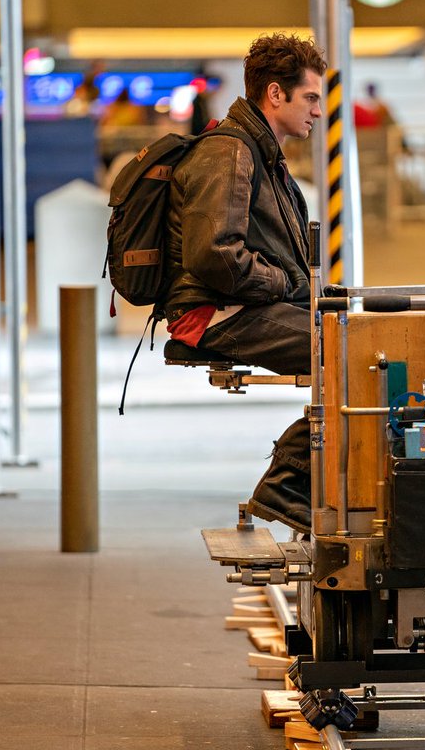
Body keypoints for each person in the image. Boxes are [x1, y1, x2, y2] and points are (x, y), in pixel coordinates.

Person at [160, 33, 325, 533]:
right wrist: (283, 284)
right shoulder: (230, 153)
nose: (318, 111)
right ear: (276, 94)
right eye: (311, 98)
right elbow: (214, 256)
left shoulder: (259, 152)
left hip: (238, 305)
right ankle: (288, 483)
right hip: (215, 313)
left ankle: (305, 482)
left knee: (362, 344)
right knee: (352, 355)